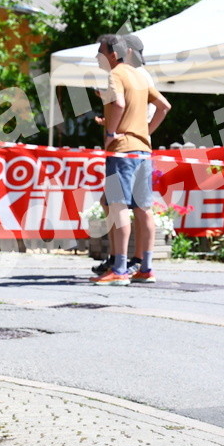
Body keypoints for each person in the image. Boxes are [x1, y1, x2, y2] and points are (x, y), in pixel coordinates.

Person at [91, 34, 171, 285]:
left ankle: (119, 269)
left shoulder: (116, 74)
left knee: (118, 207)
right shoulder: (139, 75)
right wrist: (144, 132)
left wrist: (111, 133)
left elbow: (119, 104)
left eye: (101, 52)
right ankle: (146, 268)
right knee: (143, 209)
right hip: (143, 151)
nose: (98, 56)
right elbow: (164, 106)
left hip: (122, 152)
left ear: (113, 54)